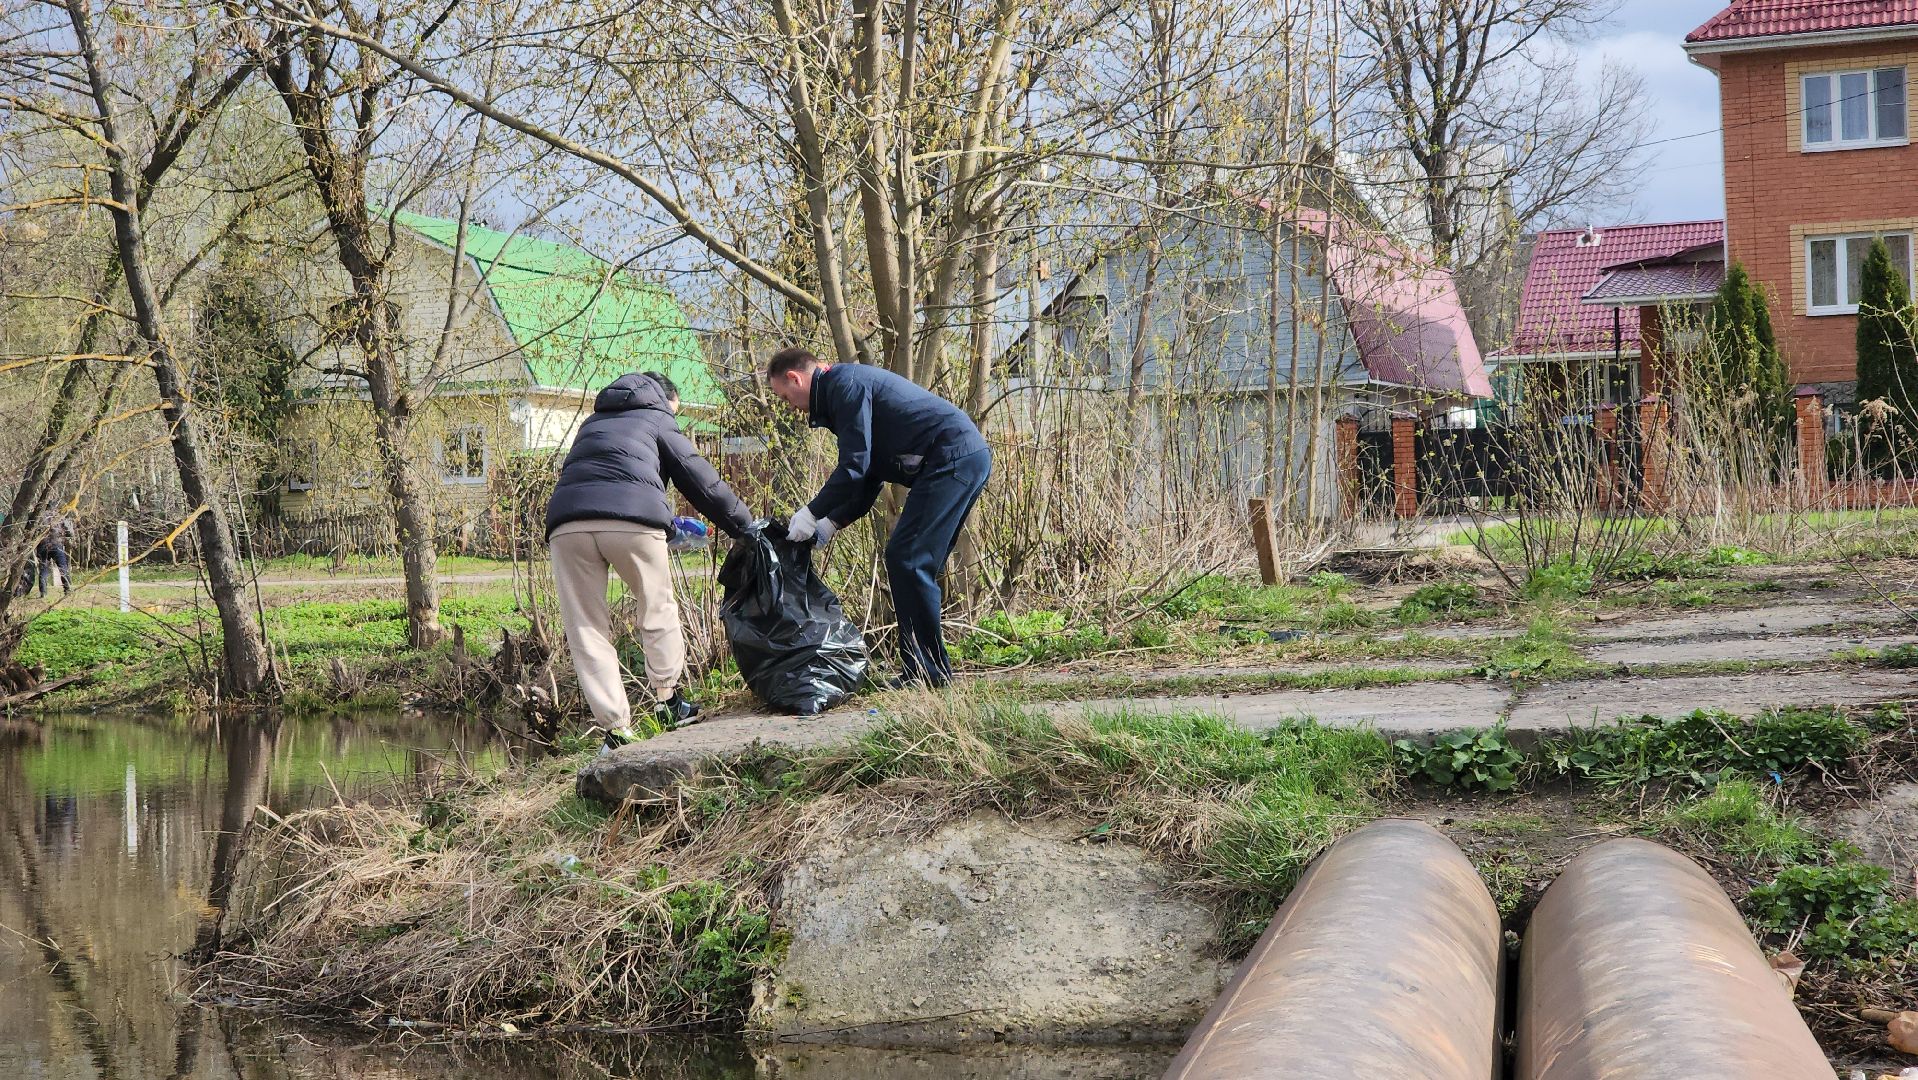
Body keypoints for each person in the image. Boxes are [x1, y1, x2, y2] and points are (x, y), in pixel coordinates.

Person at [545, 371, 755, 748]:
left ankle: (616, 729)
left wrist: (667, 523)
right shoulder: (659, 417)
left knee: (586, 628)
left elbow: (603, 481)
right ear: (664, 398)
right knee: (656, 606)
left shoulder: (590, 424)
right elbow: (701, 480)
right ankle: (668, 702)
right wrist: (746, 526)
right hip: (632, 523)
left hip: (567, 525)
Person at [766, 347, 991, 688]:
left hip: (952, 458)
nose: (791, 406)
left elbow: (853, 467)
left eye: (785, 396)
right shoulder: (842, 392)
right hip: (959, 458)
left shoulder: (846, 386)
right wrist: (829, 523)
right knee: (913, 563)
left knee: (908, 559)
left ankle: (927, 674)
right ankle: (927, 672)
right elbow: (869, 474)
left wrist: (812, 512)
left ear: (795, 378)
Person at [36, 510, 73, 598]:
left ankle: (43, 592)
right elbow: (70, 532)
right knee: (63, 567)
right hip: (56, 543)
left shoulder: (38, 516)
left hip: (42, 545)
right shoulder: (59, 516)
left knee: (43, 569)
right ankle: (68, 590)